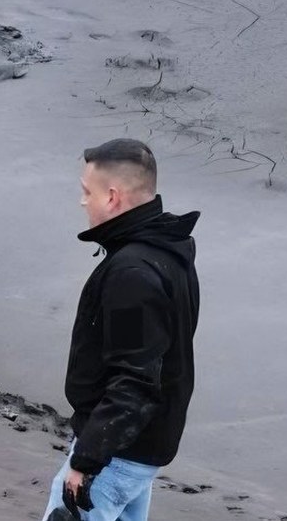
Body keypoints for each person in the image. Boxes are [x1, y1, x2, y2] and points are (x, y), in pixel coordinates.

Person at [43, 138, 200, 521]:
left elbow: (135, 381)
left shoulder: (133, 273)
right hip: (143, 443)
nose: (83, 202)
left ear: (112, 197)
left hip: (119, 453)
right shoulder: (168, 252)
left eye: (87, 192)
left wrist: (86, 461)